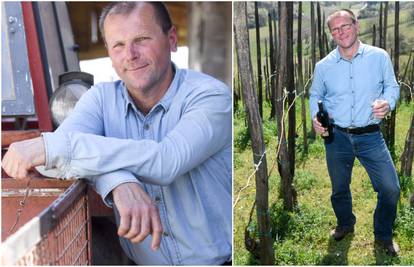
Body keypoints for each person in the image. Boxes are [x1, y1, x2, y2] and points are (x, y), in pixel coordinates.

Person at [2, 2, 232, 265]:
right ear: (110, 54)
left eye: (142, 39)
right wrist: (117, 181)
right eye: (118, 46)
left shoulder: (211, 97)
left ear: (171, 40)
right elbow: (53, 164)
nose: (130, 54)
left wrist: (56, 149)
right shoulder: (100, 99)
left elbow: (166, 160)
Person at [310, 9, 400, 256]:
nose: (341, 32)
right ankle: (345, 223)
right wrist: (315, 119)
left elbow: (392, 87)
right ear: (331, 34)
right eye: (335, 29)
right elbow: (316, 95)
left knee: (390, 188)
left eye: (345, 26)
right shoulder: (323, 66)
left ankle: (383, 234)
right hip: (337, 137)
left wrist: (388, 103)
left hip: (370, 135)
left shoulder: (379, 57)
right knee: (339, 187)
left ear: (356, 25)